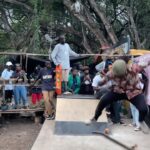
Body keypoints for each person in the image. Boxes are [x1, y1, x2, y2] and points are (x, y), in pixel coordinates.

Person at [87, 59, 150, 133]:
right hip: (117, 91)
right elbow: (103, 81)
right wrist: (100, 83)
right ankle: (95, 117)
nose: (119, 77)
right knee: (103, 101)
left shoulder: (133, 69)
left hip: (133, 92)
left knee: (143, 109)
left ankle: (141, 121)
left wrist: (146, 63)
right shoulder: (111, 73)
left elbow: (143, 64)